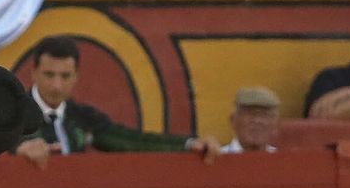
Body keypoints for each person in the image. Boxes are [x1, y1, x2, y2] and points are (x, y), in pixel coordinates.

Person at [15, 35, 219, 165]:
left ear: (76, 76)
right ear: (34, 73)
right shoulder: (14, 114)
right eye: (49, 75)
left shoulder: (82, 118)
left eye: (65, 76)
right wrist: (16, 151)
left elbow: (133, 141)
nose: (57, 85)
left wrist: (188, 144)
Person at [221, 85, 280, 152]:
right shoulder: (217, 156)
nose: (257, 120)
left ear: (275, 124)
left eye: (264, 115)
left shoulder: (283, 157)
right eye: (250, 114)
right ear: (233, 120)